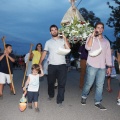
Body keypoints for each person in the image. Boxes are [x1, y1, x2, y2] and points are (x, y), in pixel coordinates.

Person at [81, 22, 112, 110]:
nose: (100, 29)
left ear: (103, 29)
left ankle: (97, 101)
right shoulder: (91, 38)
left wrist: (109, 66)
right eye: (98, 27)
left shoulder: (106, 42)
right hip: (92, 65)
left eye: (101, 27)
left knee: (100, 85)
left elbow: (108, 54)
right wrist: (92, 36)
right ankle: (84, 96)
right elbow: (88, 48)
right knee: (89, 83)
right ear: (95, 29)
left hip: (102, 66)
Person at [39, 24, 70, 106]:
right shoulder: (48, 42)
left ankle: (60, 100)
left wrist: (65, 38)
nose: (54, 31)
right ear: (50, 32)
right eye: (52, 30)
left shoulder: (62, 40)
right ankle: (51, 95)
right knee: (50, 82)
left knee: (61, 84)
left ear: (58, 30)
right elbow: (44, 52)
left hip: (62, 65)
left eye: (55, 29)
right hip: (52, 65)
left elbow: (68, 49)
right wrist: (40, 62)